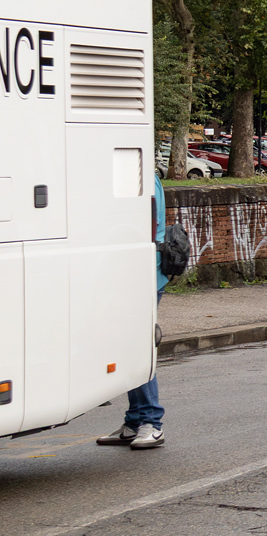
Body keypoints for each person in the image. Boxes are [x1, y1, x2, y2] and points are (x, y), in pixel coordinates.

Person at [97, 175, 168, 450]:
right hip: (133, 275)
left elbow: (143, 229)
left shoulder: (143, 180)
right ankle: (135, 421)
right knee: (128, 348)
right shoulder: (134, 177)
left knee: (138, 347)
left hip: (144, 276)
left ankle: (152, 422)